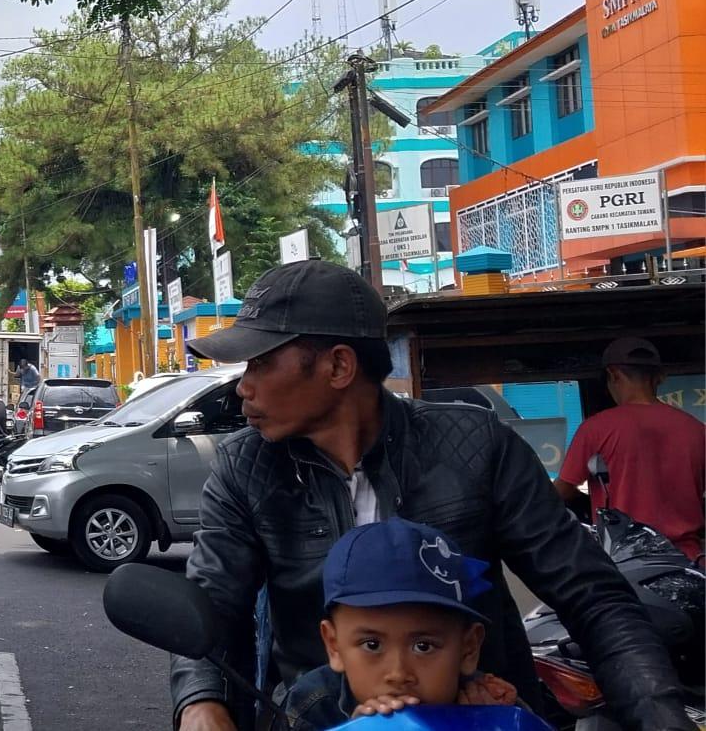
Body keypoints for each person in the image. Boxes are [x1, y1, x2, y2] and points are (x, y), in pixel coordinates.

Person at [168, 260, 692, 731]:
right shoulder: (244, 467)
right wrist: (200, 703)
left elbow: (591, 596)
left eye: (259, 363)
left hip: (480, 720)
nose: (242, 387)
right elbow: (213, 608)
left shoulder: (477, 447)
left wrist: (658, 713)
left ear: (338, 367)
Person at [279, 519, 524, 730]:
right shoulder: (312, 706)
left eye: (424, 646)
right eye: (372, 645)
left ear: (468, 648)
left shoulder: (493, 705)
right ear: (334, 646)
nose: (398, 674)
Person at [554, 337, 704, 562]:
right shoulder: (696, 430)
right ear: (660, 377)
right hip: (688, 563)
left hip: (626, 563)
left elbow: (560, 493)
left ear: (613, 375)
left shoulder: (596, 429)